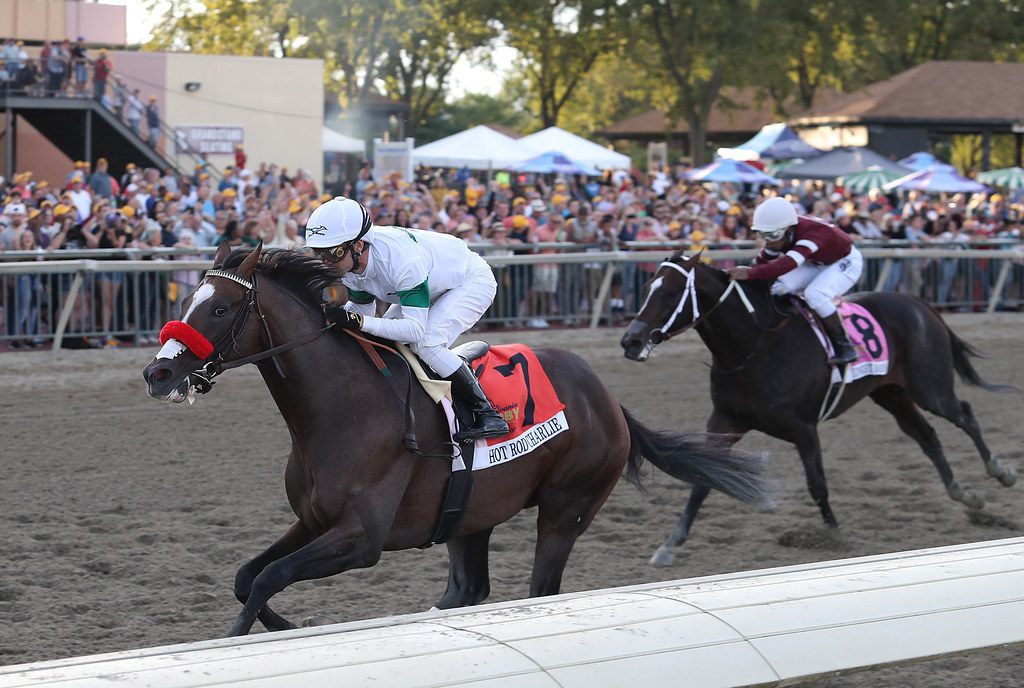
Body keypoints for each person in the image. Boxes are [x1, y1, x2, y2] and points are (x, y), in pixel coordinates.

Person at [305, 196, 509, 442]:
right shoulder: (348, 264)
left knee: (426, 343)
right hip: (429, 286)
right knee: (388, 341)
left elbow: (413, 330)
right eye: (319, 254)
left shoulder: (400, 260)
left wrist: (356, 321)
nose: (325, 262)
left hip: (469, 281)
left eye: (333, 253)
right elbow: (364, 308)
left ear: (358, 245)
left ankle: (488, 414)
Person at [726, 197, 862, 366]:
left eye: (772, 235)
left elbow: (787, 264)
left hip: (845, 261)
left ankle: (845, 347)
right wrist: (746, 273)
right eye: (764, 235)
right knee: (779, 287)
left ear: (789, 229)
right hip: (816, 261)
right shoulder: (783, 231)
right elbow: (764, 260)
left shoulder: (812, 233)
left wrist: (750, 274)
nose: (769, 241)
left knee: (815, 295)